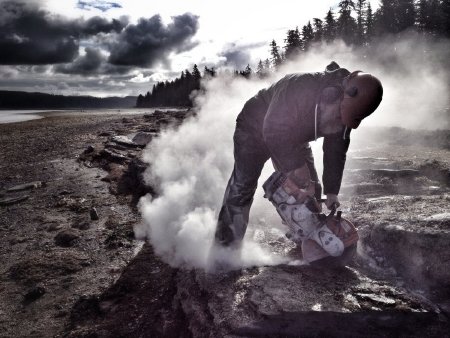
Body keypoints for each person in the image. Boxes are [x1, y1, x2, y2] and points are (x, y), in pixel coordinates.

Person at [214, 61, 383, 248]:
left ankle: (309, 242)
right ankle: (224, 250)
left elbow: (336, 151)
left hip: (293, 136)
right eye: (338, 115)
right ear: (334, 94)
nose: (339, 122)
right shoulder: (300, 85)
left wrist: (332, 191)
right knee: (242, 186)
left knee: (311, 191)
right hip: (253, 127)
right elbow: (273, 130)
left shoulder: (345, 112)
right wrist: (296, 167)